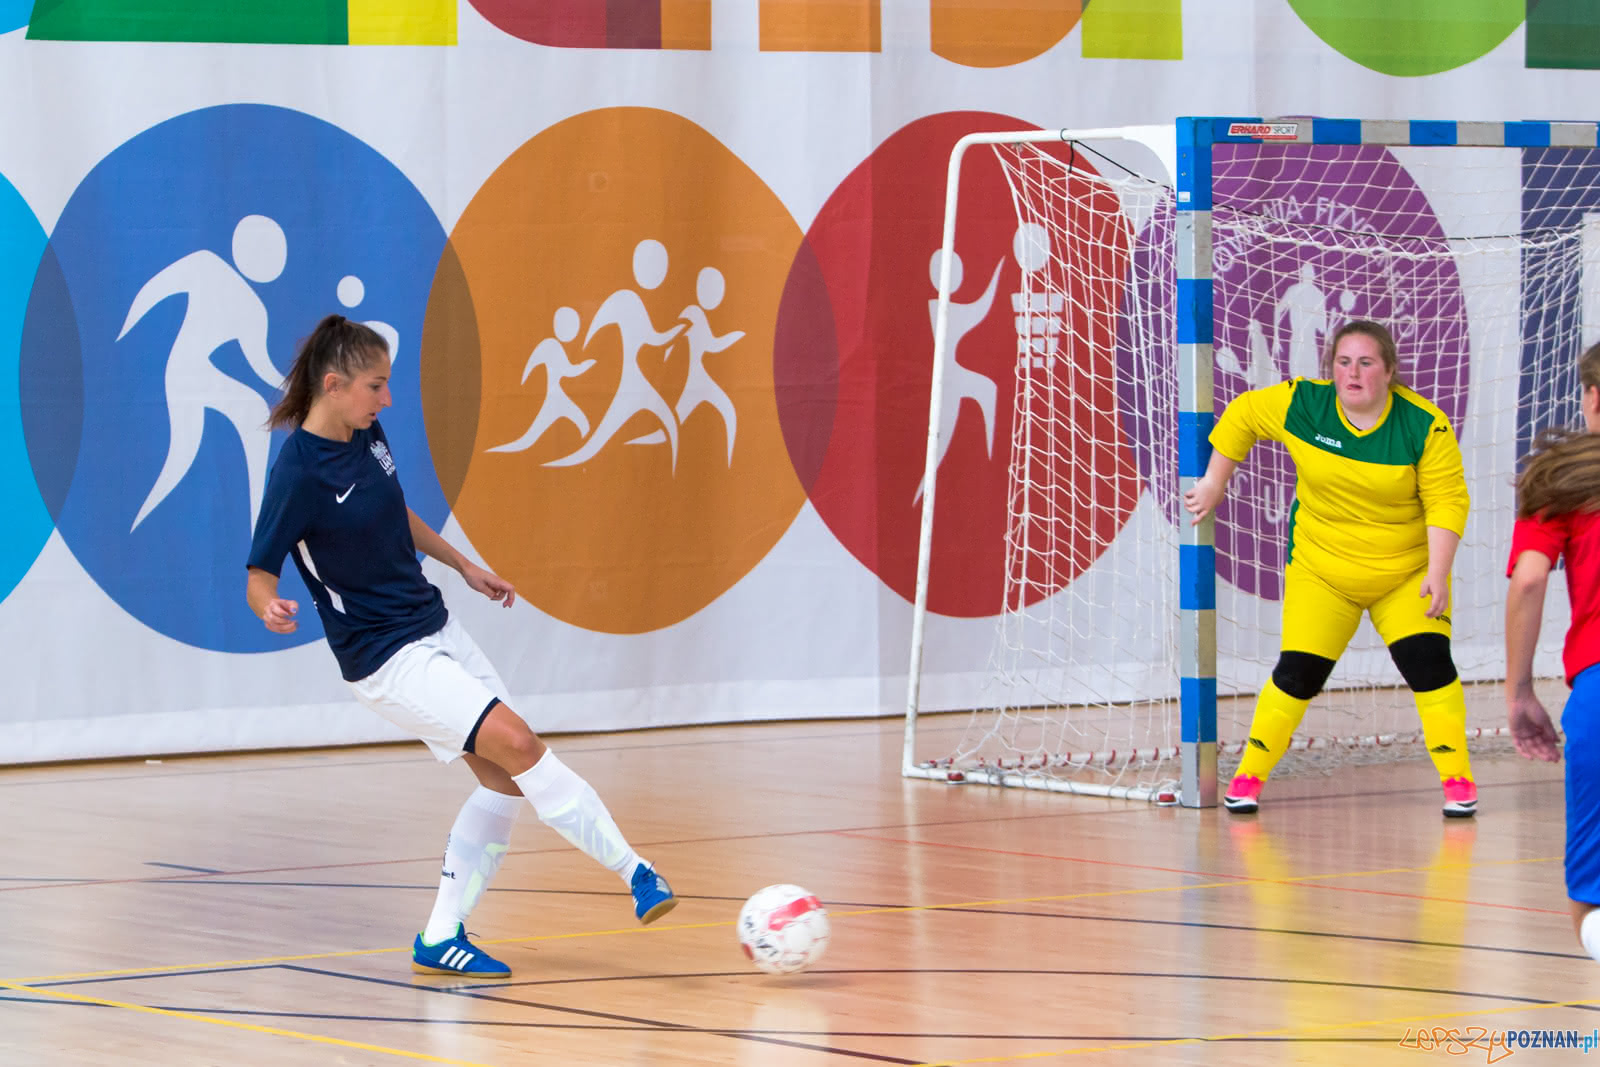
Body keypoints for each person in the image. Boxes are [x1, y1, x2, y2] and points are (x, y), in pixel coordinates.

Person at [245, 314, 676, 979]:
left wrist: (461, 563)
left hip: (434, 624)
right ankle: (638, 871)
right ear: (333, 385)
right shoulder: (297, 472)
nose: (386, 399)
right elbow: (259, 570)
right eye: (375, 386)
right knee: (522, 744)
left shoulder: (365, 433)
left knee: (504, 781)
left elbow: (394, 508)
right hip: (385, 658)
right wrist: (268, 604)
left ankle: (441, 933)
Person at [1182, 319, 1476, 816]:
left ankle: (1459, 782)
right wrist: (1214, 482)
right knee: (1298, 672)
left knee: (1429, 665)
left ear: (1389, 371)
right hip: (1322, 572)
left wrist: (1438, 572)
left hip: (1403, 574)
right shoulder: (1305, 404)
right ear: (1330, 368)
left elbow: (1448, 501)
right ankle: (1249, 777)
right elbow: (1243, 414)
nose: (1352, 373)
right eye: (1343, 362)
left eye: (1365, 363)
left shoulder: (1426, 424)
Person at [1504, 340, 1600, 962]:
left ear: (1591, 397)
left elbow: (1530, 579)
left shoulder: (1563, 477)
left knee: (1593, 898)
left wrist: (1518, 692)